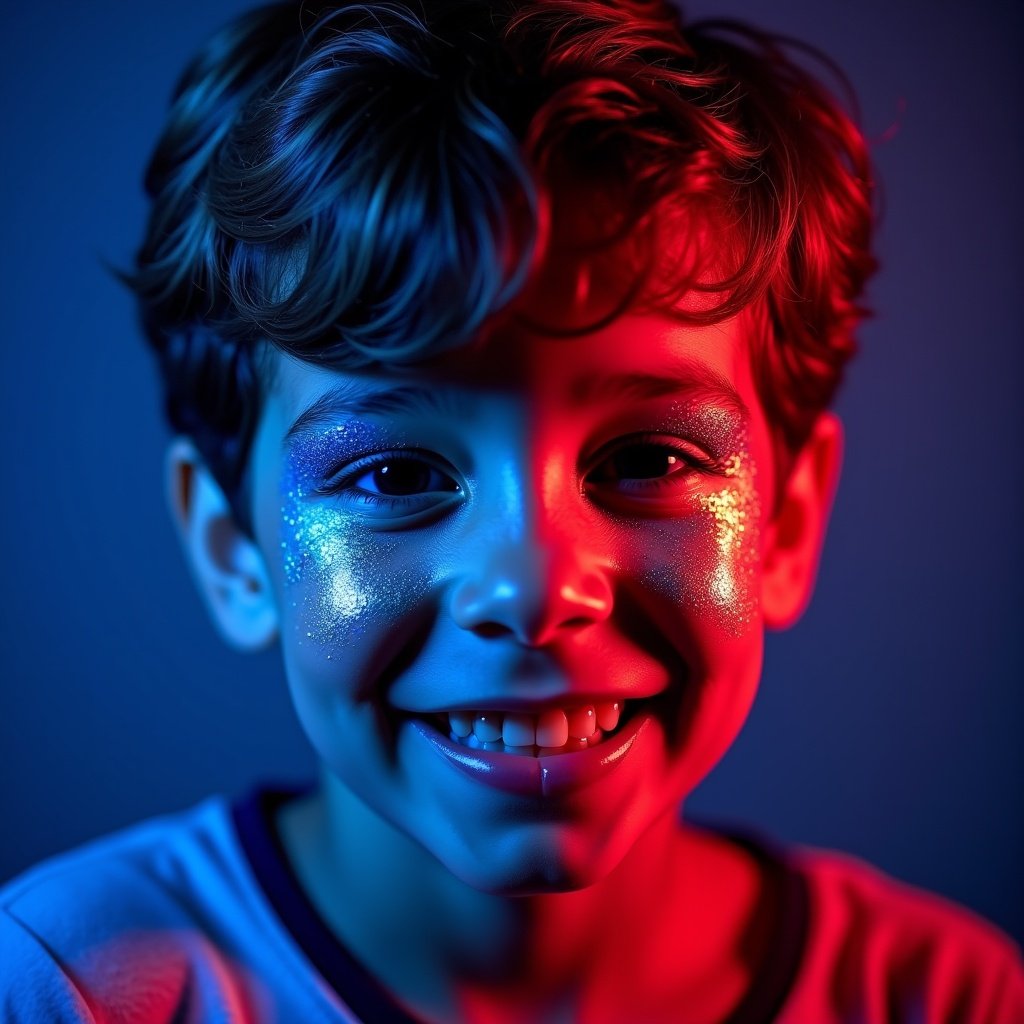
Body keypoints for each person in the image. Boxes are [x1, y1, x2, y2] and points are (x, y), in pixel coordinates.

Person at [1, 1, 1021, 1021]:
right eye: (395, 475)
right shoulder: (71, 989)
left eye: (649, 458)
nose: (533, 586)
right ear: (234, 550)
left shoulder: (942, 995)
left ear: (784, 525)